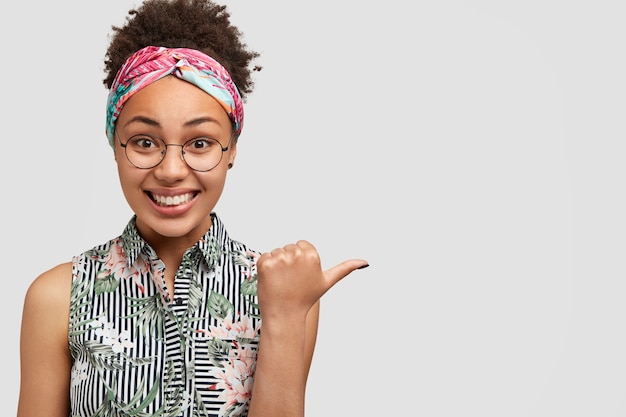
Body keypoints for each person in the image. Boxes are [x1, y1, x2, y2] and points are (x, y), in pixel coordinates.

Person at [16, 0, 368, 416]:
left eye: (199, 143)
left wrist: (287, 316)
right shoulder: (58, 296)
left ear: (232, 148)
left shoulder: (285, 291)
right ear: (115, 145)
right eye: (145, 142)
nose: (170, 170)